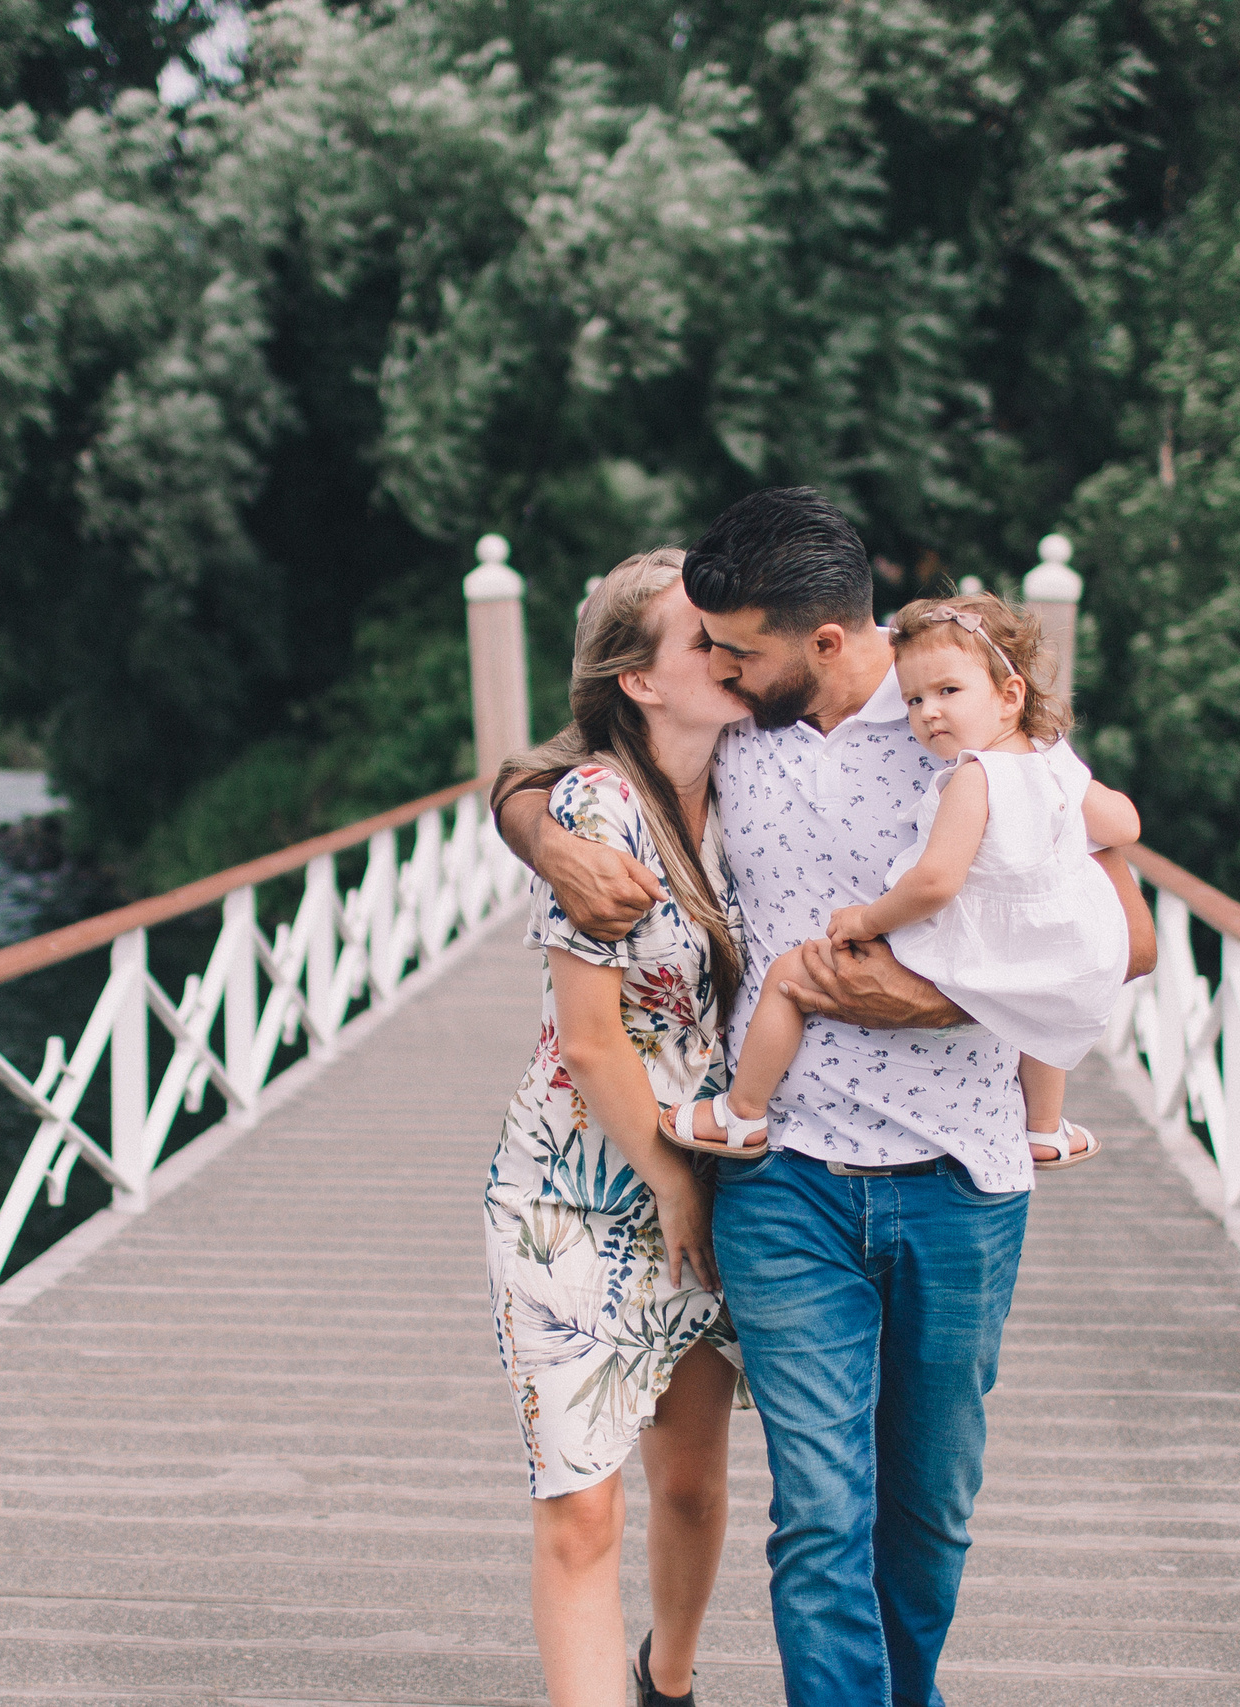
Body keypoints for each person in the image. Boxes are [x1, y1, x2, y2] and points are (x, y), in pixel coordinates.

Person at [494, 488, 1157, 1707]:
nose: (727, 672)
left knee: (928, 1511)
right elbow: (562, 769)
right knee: (818, 1514)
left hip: (962, 1176)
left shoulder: (954, 718)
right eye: (712, 652)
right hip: (780, 1177)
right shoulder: (734, 735)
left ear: (826, 640)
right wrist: (533, 825)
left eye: (741, 649)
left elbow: (1128, 942)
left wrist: (942, 999)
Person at [483, 549, 747, 1707]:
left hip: (722, 1175)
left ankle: (668, 1682)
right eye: (704, 637)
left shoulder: (762, 779)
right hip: (577, 1194)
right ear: (637, 681)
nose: (733, 649)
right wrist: (672, 1181)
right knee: (582, 1504)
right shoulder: (594, 806)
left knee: (691, 1477)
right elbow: (592, 1043)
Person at [662, 590, 1139, 1169]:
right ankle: (1042, 1127)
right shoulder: (1051, 766)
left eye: (947, 692)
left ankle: (742, 1114)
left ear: (1009, 696)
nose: (928, 712)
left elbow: (934, 882)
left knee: (792, 974)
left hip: (969, 939)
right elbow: (1123, 824)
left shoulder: (970, 778)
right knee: (1042, 1005)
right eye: (913, 699)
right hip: (1055, 936)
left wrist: (868, 917)